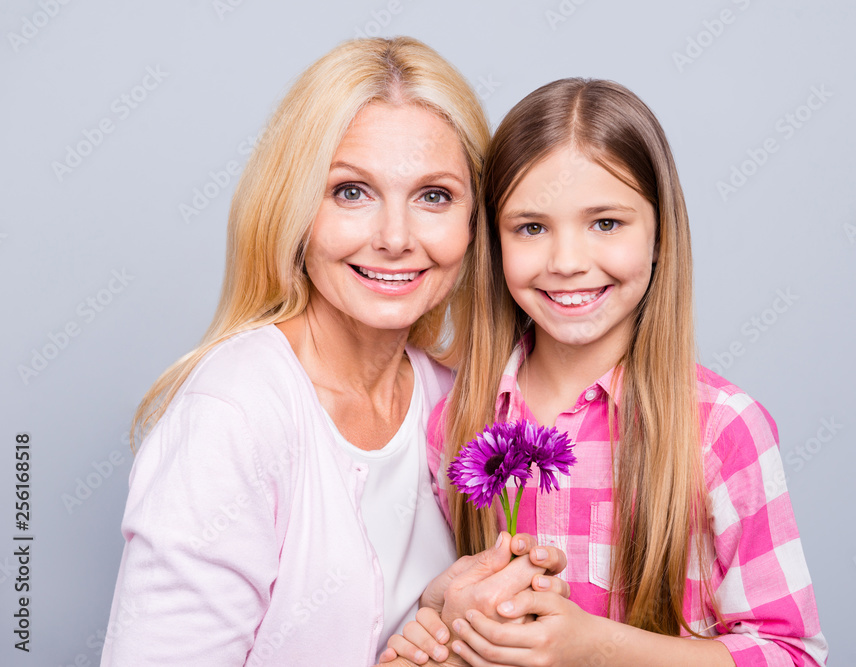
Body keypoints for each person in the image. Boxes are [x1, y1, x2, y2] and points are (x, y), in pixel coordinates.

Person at [100, 37, 565, 667]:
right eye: (351, 191)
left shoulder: (459, 403)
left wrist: (444, 617)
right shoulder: (232, 417)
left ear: (473, 223)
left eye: (434, 196)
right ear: (294, 210)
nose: (396, 239)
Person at [387, 78, 829, 666]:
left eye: (605, 224)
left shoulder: (723, 430)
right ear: (494, 242)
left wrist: (597, 649)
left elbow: (790, 654)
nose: (567, 262)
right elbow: (435, 605)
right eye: (532, 227)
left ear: (658, 237)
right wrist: (435, 623)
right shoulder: (453, 421)